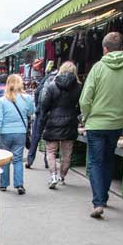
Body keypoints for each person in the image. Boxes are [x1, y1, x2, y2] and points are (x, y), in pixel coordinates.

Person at [79, 32, 123, 219]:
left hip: (96, 123)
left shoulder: (98, 67)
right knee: (108, 159)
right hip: (116, 122)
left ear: (104, 49)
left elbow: (86, 98)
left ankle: (98, 202)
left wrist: (86, 116)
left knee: (95, 161)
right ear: (121, 47)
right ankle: (104, 197)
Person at [35, 61, 82, 190]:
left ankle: (53, 176)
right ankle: (62, 176)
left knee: (51, 151)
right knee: (67, 153)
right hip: (70, 122)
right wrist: (75, 113)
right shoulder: (79, 87)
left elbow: (44, 105)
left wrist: (44, 119)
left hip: (53, 122)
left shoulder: (52, 86)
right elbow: (81, 105)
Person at [0, 73, 35, 195]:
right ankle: (19, 184)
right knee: (18, 159)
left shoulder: (3, 100)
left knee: (5, 159)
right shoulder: (27, 98)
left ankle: (4, 184)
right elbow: (32, 112)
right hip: (20, 132)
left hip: (5, 133)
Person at [25, 66, 58, 169]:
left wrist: (38, 107)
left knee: (35, 136)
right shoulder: (60, 80)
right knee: (49, 137)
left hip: (41, 112)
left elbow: (37, 91)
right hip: (53, 113)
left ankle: (30, 160)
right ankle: (48, 161)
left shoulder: (47, 78)